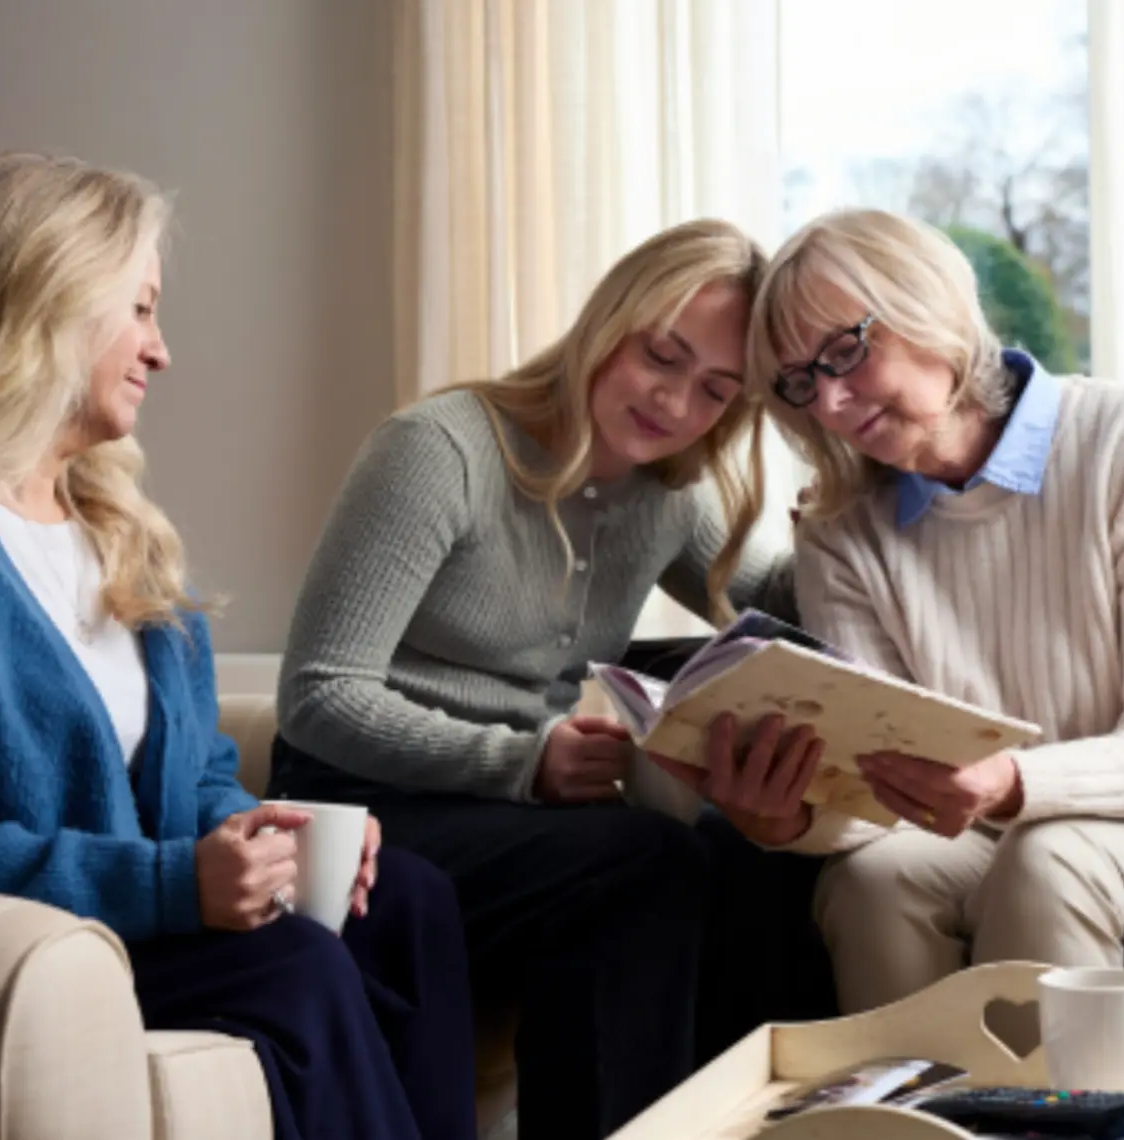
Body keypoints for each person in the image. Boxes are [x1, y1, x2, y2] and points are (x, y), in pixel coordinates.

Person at [0, 152, 475, 1140]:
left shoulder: (114, 524)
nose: (160, 352)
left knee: (409, 904)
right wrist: (176, 885)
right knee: (292, 967)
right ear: (45, 303)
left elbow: (194, 781)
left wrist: (265, 844)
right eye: (140, 310)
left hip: (104, 929)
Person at [656, 207, 1124, 1014]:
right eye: (802, 383)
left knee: (1051, 862)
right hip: (1005, 828)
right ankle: (907, 1098)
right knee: (873, 882)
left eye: (845, 351)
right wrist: (782, 821)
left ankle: (1046, 1095)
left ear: (929, 306)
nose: (831, 403)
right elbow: (880, 797)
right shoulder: (842, 531)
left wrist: (1011, 782)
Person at [272, 219, 829, 1139]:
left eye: (716, 390)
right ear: (609, 320)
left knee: (755, 862)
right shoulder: (441, 450)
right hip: (366, 807)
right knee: (647, 864)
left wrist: (849, 515)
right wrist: (525, 762)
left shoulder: (666, 490)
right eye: (661, 355)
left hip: (521, 827)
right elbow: (319, 696)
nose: (675, 401)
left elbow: (774, 596)